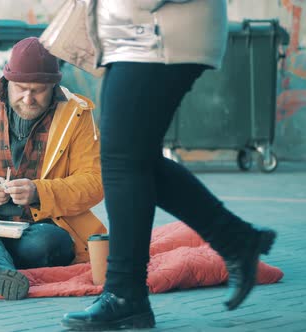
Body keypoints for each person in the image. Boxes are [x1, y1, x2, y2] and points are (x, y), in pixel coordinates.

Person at [61, 0, 277, 330]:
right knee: (134, 160)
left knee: (122, 163)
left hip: (156, 36)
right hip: (138, 37)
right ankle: (236, 240)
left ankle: (124, 294)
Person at [0, 37, 107, 301]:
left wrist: (39, 191)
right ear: (7, 82)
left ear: (53, 86)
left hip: (43, 228)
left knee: (48, 243)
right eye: (21, 88)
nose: (28, 98)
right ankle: (0, 269)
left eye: (38, 90)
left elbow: (95, 182)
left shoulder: (78, 115)